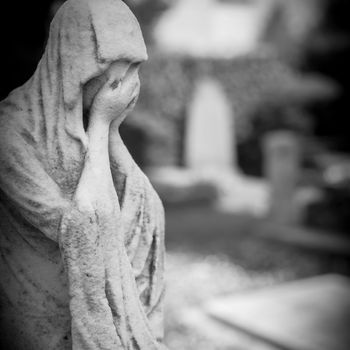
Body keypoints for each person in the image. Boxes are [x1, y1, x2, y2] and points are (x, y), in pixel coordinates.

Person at [0, 0, 166, 349]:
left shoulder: (90, 124)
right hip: (37, 305)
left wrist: (110, 129)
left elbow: (140, 202)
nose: (124, 90)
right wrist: (103, 123)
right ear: (76, 67)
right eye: (115, 79)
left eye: (133, 74)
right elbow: (80, 226)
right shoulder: (11, 129)